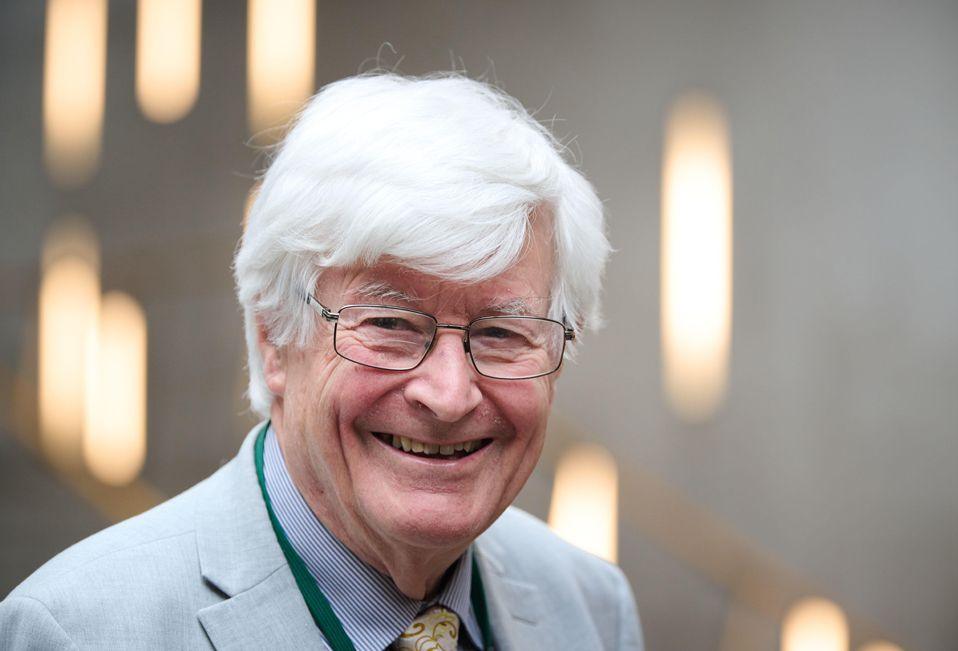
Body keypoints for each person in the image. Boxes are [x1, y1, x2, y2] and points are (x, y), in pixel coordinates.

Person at [0, 73, 643, 650]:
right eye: (390, 324)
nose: (449, 396)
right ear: (276, 337)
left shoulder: (589, 611)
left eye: (502, 332)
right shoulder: (77, 631)